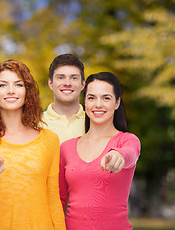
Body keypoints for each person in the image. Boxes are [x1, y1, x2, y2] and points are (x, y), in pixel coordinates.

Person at [0, 60, 66, 230]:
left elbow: (53, 198)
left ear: (27, 92)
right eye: (3, 85)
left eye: (18, 84)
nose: (11, 90)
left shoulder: (50, 140)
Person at [59, 72, 141, 230]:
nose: (98, 104)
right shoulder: (66, 148)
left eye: (106, 98)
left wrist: (119, 155)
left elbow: (130, 153)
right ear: (85, 102)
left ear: (117, 103)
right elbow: (58, 200)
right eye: (91, 97)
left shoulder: (126, 141)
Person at [42, 53, 86, 143]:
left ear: (82, 85)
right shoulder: (35, 123)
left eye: (74, 78)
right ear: (51, 83)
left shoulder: (95, 122)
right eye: (61, 77)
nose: (67, 83)